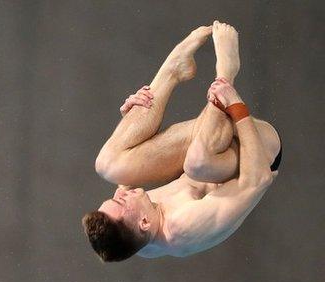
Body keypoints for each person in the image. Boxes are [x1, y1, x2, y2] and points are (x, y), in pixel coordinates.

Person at [82, 21, 281, 261]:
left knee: (109, 166)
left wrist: (131, 123)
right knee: (197, 164)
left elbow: (129, 167)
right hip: (257, 154)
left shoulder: (134, 229)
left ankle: (174, 69)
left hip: (208, 142)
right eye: (120, 202)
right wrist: (235, 105)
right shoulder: (185, 227)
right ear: (144, 222)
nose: (120, 194)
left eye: (114, 198)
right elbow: (257, 181)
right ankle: (226, 73)